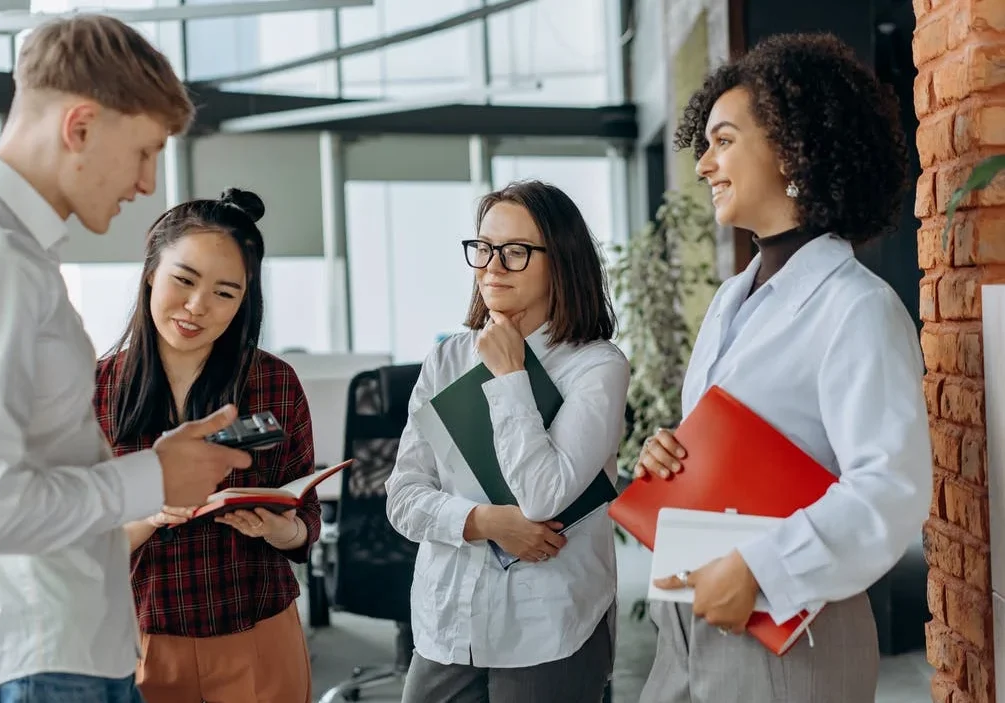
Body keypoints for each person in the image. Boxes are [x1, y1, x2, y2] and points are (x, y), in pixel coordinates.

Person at [0, 15, 254, 703]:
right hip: (35, 658)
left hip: (53, 650)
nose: (147, 184)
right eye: (143, 151)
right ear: (79, 127)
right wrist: (155, 476)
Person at [635, 33, 931, 702]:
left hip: (790, 632)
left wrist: (760, 569)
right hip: (690, 614)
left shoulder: (856, 308)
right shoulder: (730, 300)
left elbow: (891, 488)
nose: (704, 164)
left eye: (723, 140)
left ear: (794, 149)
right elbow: (744, 440)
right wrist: (673, 456)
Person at [386, 180, 630, 702]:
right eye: (483, 247)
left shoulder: (595, 366)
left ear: (560, 261)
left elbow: (544, 495)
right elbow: (402, 499)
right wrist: (485, 523)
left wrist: (509, 376)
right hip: (447, 619)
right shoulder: (447, 359)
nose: (492, 265)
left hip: (546, 624)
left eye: (516, 251)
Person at [93, 188, 319, 703]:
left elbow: (306, 515)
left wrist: (284, 531)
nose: (197, 307)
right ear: (151, 271)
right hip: (138, 641)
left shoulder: (272, 382)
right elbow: (78, 542)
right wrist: (152, 513)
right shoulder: (92, 391)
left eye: (225, 292)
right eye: (184, 280)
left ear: (244, 301)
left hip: (256, 632)